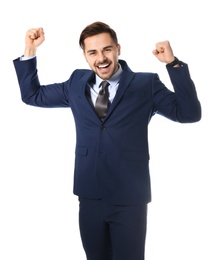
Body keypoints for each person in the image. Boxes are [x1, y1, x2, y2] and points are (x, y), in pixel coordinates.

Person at [13, 21, 201, 260]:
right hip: (89, 196)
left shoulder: (146, 84)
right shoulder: (76, 83)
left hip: (129, 199)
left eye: (107, 49)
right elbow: (32, 95)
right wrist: (30, 51)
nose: (101, 58)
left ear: (118, 49)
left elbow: (189, 113)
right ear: (85, 56)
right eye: (92, 52)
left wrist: (172, 64)